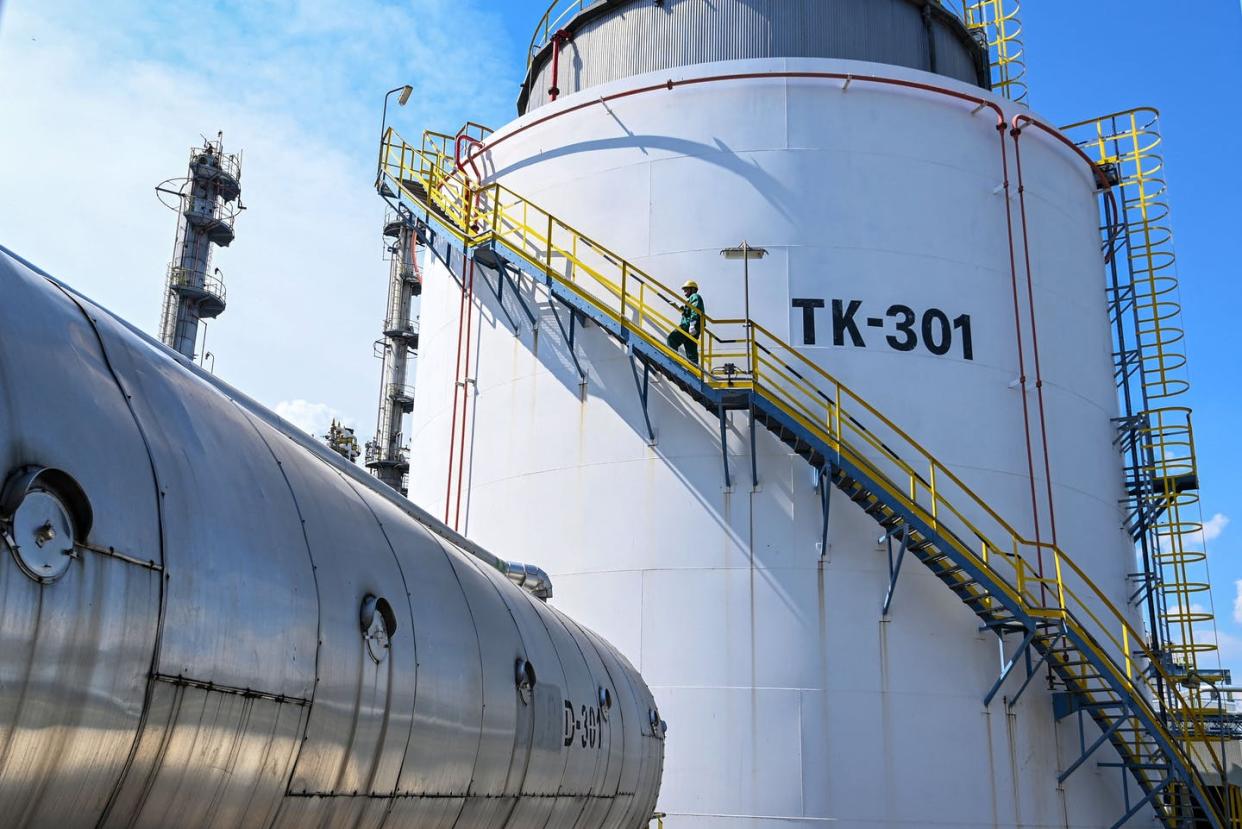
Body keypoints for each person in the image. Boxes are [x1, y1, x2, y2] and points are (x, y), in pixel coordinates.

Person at [666, 279, 705, 363]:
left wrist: (692, 324)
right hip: (694, 327)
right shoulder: (691, 299)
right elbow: (689, 311)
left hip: (688, 325)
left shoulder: (695, 296)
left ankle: (672, 361)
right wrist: (679, 307)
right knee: (691, 350)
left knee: (672, 339)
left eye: (686, 289)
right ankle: (693, 372)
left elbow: (695, 310)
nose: (684, 292)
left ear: (693, 289)